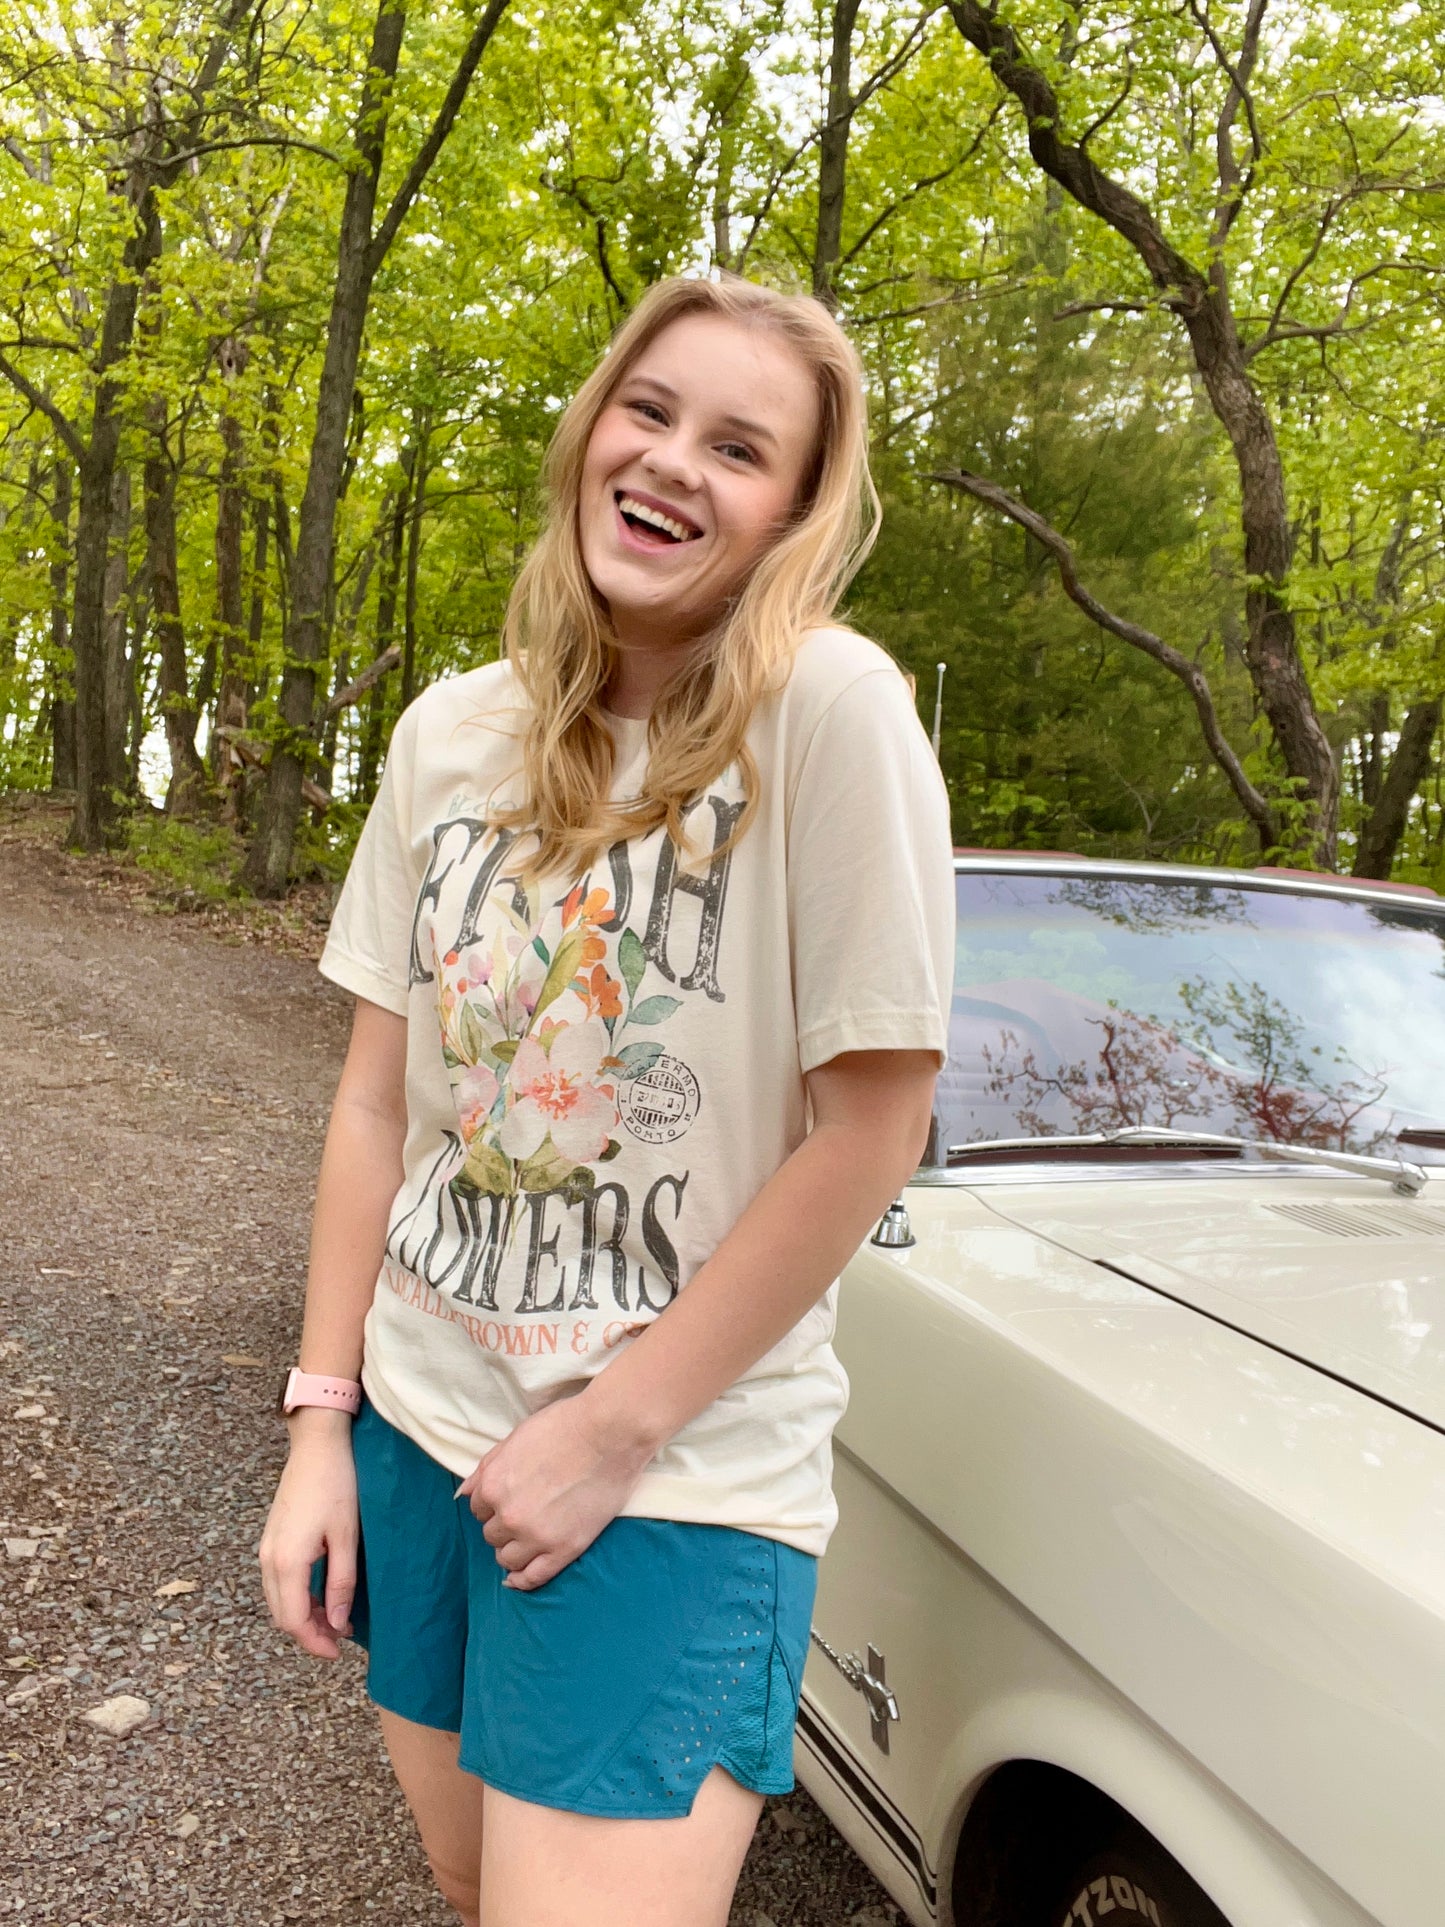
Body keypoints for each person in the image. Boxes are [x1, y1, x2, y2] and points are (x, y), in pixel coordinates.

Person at [258, 271, 955, 1927]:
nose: (671, 464)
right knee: (465, 1874)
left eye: (738, 446)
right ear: (591, 433)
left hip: (668, 1481)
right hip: (424, 1435)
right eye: (649, 412)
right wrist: (320, 1425)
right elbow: (377, 1106)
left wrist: (611, 1430)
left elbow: (869, 1128)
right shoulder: (448, 736)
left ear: (792, 508)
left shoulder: (830, 717)